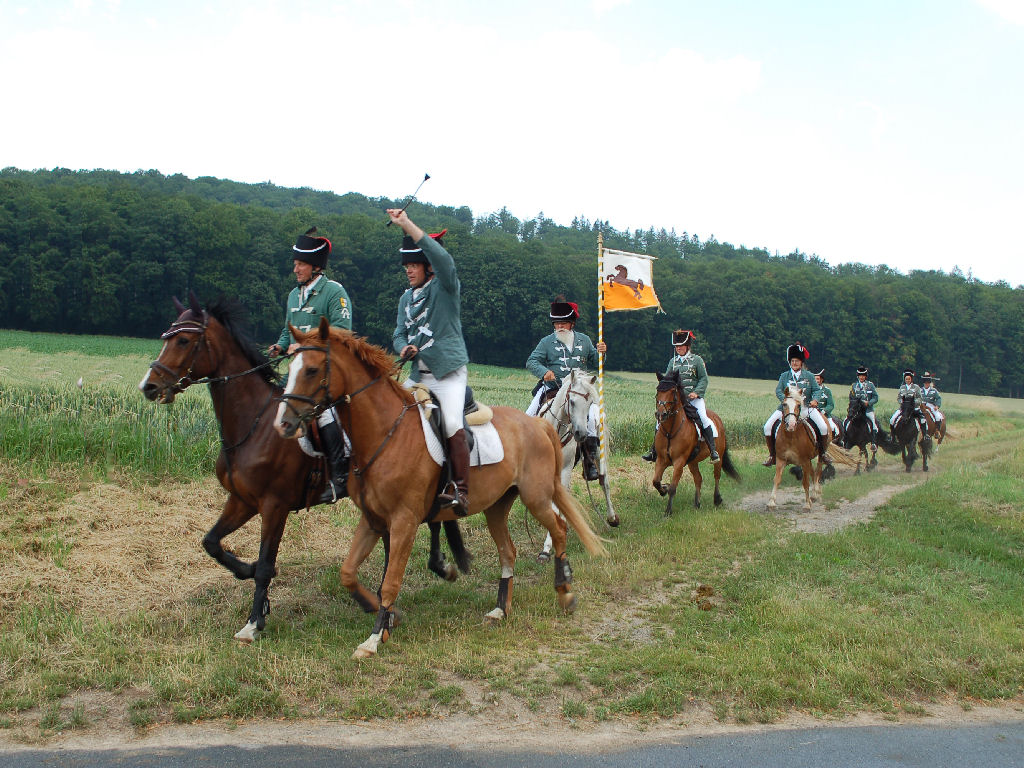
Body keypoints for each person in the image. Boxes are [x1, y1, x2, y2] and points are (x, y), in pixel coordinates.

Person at [390, 209, 472, 514]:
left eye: (414, 265)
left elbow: (444, 260)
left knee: (451, 423)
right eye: (407, 266)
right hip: (418, 375)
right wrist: (403, 348)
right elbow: (398, 334)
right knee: (391, 416)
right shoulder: (406, 298)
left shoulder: (445, 286)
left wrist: (407, 225)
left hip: (448, 374)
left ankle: (460, 489)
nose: (409, 271)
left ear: (428, 266)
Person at [268, 227, 353, 505]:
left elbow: (341, 332)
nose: (295, 269)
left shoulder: (334, 292)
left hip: (323, 372)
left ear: (316, 267)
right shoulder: (294, 295)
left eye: (300, 264)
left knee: (324, 415)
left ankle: (339, 476)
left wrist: (304, 347)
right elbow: (288, 330)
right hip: (297, 371)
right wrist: (281, 345)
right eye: (295, 264)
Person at [524, 296, 608, 480]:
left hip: (580, 392)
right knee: (527, 417)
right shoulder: (546, 342)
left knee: (593, 419)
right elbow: (532, 361)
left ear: (572, 324)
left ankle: (589, 463)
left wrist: (601, 353)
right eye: (556, 323)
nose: (560, 326)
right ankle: (523, 459)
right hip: (552, 389)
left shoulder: (584, 340)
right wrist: (544, 372)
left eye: (563, 323)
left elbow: (597, 362)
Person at [642, 329, 718, 462]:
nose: (678, 348)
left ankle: (713, 450)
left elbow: (703, 379)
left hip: (693, 399)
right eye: (676, 346)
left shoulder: (697, 360)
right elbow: (667, 380)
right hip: (677, 400)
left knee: (704, 418)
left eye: (681, 346)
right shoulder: (673, 362)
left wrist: (696, 392)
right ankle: (654, 451)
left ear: (687, 346)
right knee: (660, 421)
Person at [762, 342, 831, 467]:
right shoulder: (784, 376)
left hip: (805, 408)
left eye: (797, 361)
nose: (794, 363)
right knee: (767, 427)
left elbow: (817, 390)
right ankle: (772, 455)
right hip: (787, 409)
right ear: (790, 362)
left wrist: (815, 400)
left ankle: (823, 453)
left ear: (801, 362)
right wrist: (785, 399)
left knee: (823, 427)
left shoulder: (809, 376)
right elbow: (778, 390)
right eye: (792, 361)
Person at [845, 365, 881, 449]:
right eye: (860, 375)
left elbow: (875, 397)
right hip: (856, 411)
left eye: (863, 376)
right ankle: (845, 439)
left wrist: (869, 403)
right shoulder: (854, 386)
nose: (861, 377)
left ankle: (873, 443)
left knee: (874, 424)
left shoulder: (870, 385)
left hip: (868, 410)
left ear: (865, 376)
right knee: (845, 422)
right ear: (858, 376)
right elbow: (851, 397)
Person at [890, 369, 929, 436]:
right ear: (904, 379)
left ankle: (925, 436)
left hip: (914, 408)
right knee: (892, 419)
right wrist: (902, 402)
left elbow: (920, 398)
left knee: (923, 420)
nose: (907, 380)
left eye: (909, 379)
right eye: (906, 379)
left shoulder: (916, 387)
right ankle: (892, 436)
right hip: (903, 409)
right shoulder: (902, 387)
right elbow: (899, 398)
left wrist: (913, 402)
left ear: (911, 379)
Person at [812, 368, 840, 441]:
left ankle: (833, 441)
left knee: (833, 427)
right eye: (814, 379)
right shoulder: (810, 390)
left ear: (821, 380)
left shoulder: (827, 391)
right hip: (812, 413)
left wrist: (823, 411)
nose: (816, 381)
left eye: (817, 379)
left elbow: (830, 405)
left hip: (825, 415)